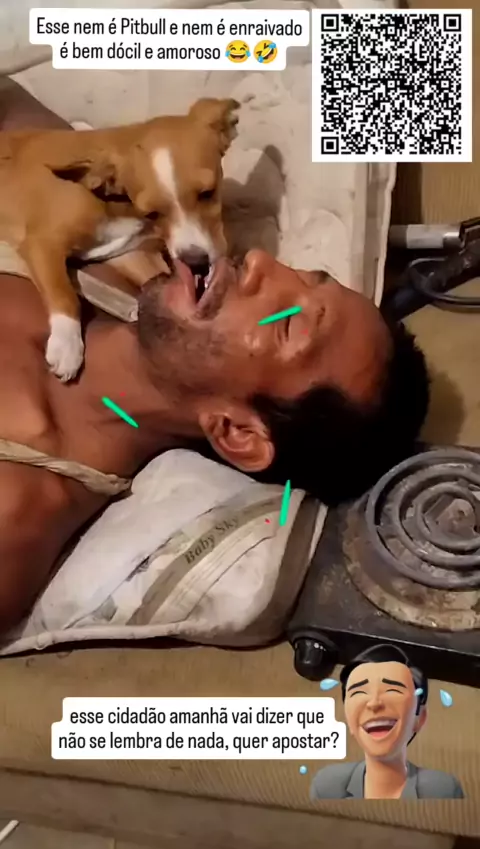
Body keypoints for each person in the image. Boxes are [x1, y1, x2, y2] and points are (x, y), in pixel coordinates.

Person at [0, 84, 430, 636]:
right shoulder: (116, 247)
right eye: (305, 276)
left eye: (289, 323)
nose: (261, 263)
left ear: (237, 433)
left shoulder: (16, 510)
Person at [310, 644, 465, 800]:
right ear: (348, 719)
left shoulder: (442, 789)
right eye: (359, 692)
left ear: (420, 718)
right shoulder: (327, 786)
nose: (374, 703)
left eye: (393, 690)